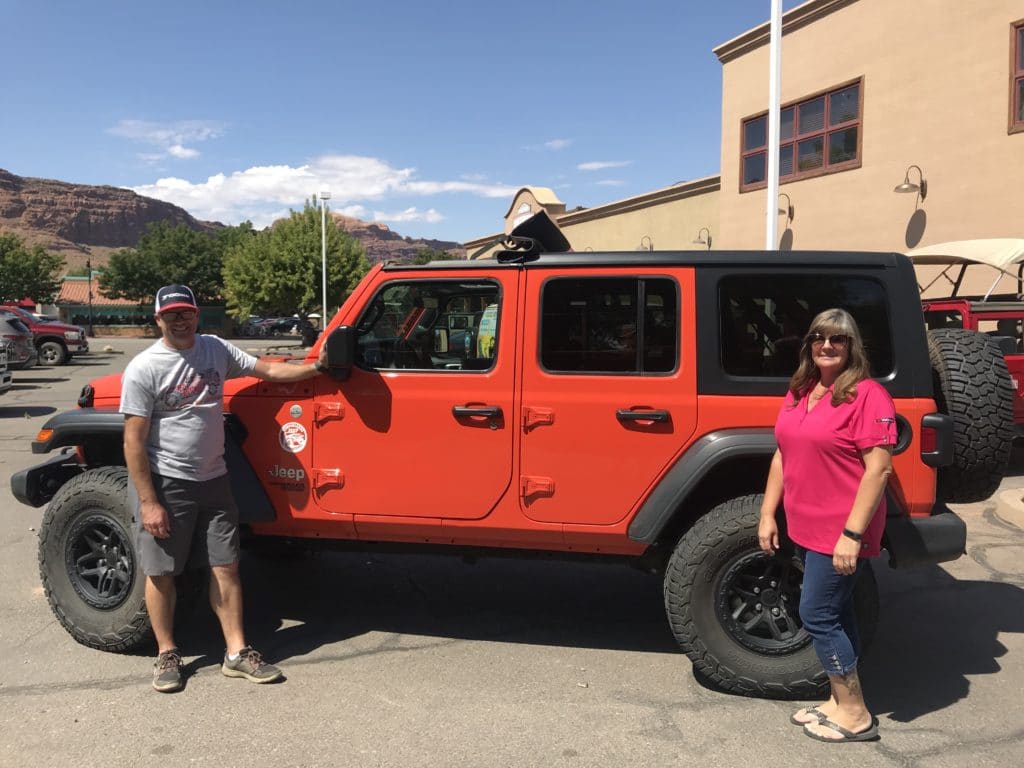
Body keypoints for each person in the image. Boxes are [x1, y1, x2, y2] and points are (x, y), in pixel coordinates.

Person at [121, 285, 329, 693]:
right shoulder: (144, 368)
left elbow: (266, 369)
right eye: (171, 315)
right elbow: (133, 442)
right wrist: (149, 502)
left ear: (197, 315)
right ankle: (167, 653)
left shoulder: (214, 349)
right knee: (163, 572)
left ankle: (236, 653)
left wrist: (315, 368)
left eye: (186, 313)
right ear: (158, 319)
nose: (180, 321)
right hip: (168, 482)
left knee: (226, 566)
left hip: (215, 479)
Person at [758, 308, 895, 743]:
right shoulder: (801, 390)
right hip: (804, 525)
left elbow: (879, 470)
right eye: (819, 338)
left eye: (838, 339)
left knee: (816, 613)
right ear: (809, 345)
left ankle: (854, 712)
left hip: (840, 530)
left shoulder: (867, 395)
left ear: (852, 346)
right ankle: (839, 701)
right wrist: (767, 511)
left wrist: (852, 535)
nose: (827, 346)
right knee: (838, 611)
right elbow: (783, 453)